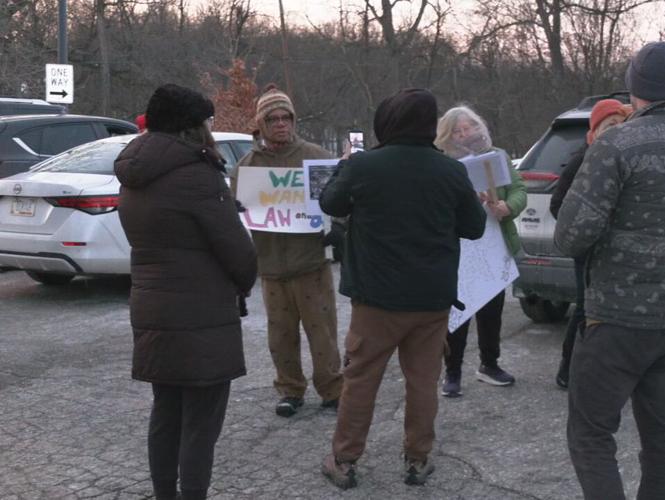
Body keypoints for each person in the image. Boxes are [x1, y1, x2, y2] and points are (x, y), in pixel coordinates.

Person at [554, 42, 665, 500]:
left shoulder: (616, 143)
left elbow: (570, 236)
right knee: (660, 434)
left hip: (616, 318)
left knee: (590, 434)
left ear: (635, 87)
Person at [319, 88, 486, 490]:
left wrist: (345, 167)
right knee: (423, 382)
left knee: (360, 380)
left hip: (376, 300)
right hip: (431, 301)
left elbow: (330, 203)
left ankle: (344, 459)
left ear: (388, 121)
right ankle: (417, 459)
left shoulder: (365, 166)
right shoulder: (450, 171)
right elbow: (475, 227)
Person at [114, 84, 258, 500]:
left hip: (151, 305)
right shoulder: (197, 175)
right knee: (201, 420)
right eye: (206, 121)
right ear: (191, 127)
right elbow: (238, 252)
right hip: (201, 314)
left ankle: (165, 494)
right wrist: (244, 280)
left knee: (166, 411)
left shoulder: (134, 172)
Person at [230, 84, 344, 417]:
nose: (281, 124)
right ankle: (290, 390)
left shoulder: (316, 157)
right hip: (270, 266)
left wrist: (337, 226)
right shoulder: (247, 167)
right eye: (273, 118)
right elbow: (234, 211)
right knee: (280, 336)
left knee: (322, 332)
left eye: (286, 117)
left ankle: (332, 388)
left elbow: (339, 198)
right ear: (261, 124)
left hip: (310, 261)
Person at [434, 106, 527, 397]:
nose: (464, 135)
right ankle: (453, 371)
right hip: (459, 246)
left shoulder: (497, 155)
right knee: (458, 311)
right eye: (457, 131)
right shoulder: (442, 162)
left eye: (468, 128)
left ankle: (489, 363)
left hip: (494, 240)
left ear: (479, 127)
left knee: (492, 309)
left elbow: (519, 190)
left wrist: (508, 206)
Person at [549, 98, 630, 389]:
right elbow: (558, 206)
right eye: (610, 126)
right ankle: (568, 369)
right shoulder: (581, 161)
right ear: (594, 132)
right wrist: (587, 226)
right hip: (587, 251)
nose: (616, 131)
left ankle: (605, 370)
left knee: (612, 314)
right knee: (585, 310)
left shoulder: (625, 159)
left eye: (621, 125)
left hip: (616, 251)